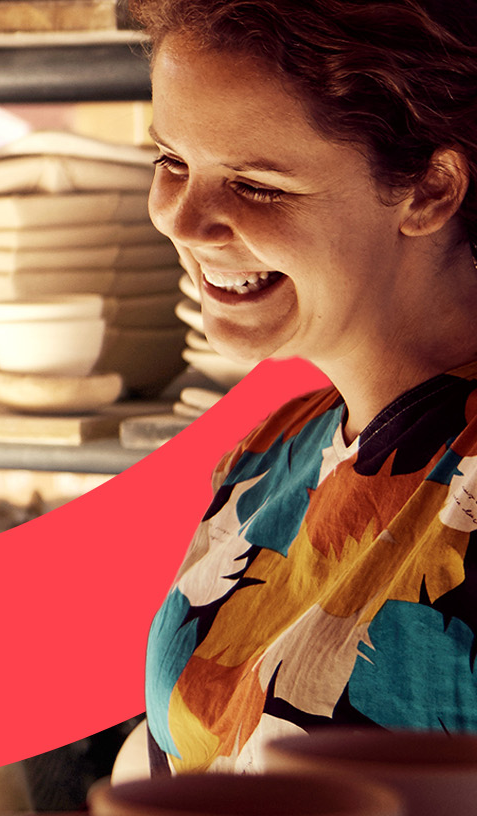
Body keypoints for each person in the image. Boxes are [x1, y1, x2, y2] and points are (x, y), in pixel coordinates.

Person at [129, 0, 477, 776]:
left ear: (429, 190)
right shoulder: (271, 451)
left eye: (256, 185)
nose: (183, 221)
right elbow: (198, 747)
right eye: (172, 163)